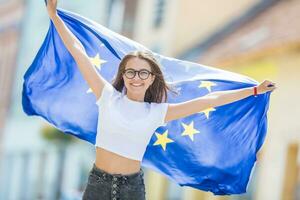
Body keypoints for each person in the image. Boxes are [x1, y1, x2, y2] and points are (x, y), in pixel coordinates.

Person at [45, 0, 277, 199]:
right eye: (130, 72)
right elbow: (78, 51)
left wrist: (254, 91)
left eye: (143, 73)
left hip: (132, 189)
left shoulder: (157, 112)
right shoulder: (107, 96)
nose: (136, 78)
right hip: (98, 185)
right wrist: (54, 17)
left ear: (151, 79)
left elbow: (210, 100)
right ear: (123, 76)